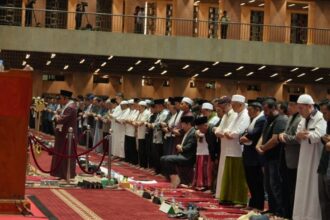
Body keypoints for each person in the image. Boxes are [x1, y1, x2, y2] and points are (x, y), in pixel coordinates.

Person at [292, 94, 326, 220]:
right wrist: (303, 135)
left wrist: (306, 135)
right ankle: (301, 216)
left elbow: (319, 135)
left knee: (313, 189)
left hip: (316, 158)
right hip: (304, 157)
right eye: (298, 108)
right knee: (302, 186)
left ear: (310, 106)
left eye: (301, 108)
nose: (299, 111)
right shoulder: (303, 118)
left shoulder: (320, 117)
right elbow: (298, 134)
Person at [256, 98, 287, 217]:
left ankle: (280, 211)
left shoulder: (281, 120)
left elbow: (275, 140)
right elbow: (263, 135)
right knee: (268, 185)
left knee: (276, 186)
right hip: (267, 158)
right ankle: (272, 209)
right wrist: (259, 146)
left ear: (274, 108)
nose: (264, 112)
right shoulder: (268, 119)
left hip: (276, 158)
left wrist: (262, 148)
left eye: (266, 110)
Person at [217, 94, 250, 205]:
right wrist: (228, 132)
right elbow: (227, 130)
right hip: (230, 150)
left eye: (234, 105)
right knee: (230, 176)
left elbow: (237, 133)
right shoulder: (236, 114)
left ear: (240, 105)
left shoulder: (245, 115)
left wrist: (228, 133)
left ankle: (239, 199)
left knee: (238, 177)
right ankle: (230, 197)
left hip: (238, 150)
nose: (232, 107)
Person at [278, 95, 301, 218]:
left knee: (293, 189)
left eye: (292, 105)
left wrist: (284, 137)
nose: (289, 107)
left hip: (295, 159)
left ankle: (292, 214)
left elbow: (297, 139)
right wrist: (284, 136)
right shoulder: (291, 117)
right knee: (286, 187)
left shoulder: (301, 119)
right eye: (289, 105)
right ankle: (286, 212)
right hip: (286, 157)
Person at [239, 101, 266, 211]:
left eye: (250, 110)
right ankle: (253, 204)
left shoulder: (261, 119)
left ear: (257, 110)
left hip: (255, 157)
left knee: (257, 182)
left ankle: (258, 205)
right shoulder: (253, 120)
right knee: (251, 181)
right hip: (248, 155)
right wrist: (243, 137)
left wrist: (245, 137)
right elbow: (244, 133)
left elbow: (254, 134)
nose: (248, 112)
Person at [160, 116, 197, 188]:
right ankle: (174, 177)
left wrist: (181, 148)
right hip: (183, 154)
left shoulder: (193, 132)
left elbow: (190, 145)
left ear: (188, 124)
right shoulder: (187, 131)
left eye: (183, 124)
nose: (182, 126)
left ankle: (175, 178)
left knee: (168, 160)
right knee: (163, 158)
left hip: (188, 157)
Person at [50, 90, 77, 180]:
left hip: (66, 135)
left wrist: (57, 116)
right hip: (63, 134)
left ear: (65, 98)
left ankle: (65, 174)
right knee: (62, 154)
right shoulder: (68, 106)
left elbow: (61, 120)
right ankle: (62, 173)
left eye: (61, 98)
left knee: (65, 154)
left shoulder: (70, 107)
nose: (60, 100)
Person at [214, 96, 237, 199]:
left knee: (228, 171)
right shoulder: (225, 115)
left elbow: (229, 130)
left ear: (228, 104)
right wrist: (217, 131)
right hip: (224, 146)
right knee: (222, 169)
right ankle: (221, 193)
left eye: (222, 105)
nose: (221, 108)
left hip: (232, 148)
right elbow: (219, 129)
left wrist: (220, 132)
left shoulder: (234, 114)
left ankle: (227, 195)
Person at [193, 116, 219, 191]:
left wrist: (216, 157)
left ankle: (212, 188)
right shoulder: (206, 131)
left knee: (212, 171)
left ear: (205, 125)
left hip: (217, 153)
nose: (200, 130)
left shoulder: (212, 129)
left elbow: (216, 145)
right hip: (213, 153)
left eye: (201, 128)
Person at [318, 102, 330, 220]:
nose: (322, 115)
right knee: (323, 201)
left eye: (325, 112)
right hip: (323, 165)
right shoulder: (327, 123)